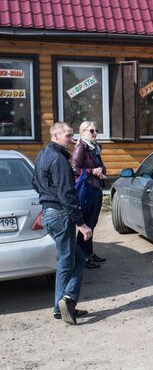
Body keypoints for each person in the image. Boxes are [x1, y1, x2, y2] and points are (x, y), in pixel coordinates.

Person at [33, 122, 93, 325]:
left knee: (75, 257)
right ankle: (66, 301)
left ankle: (62, 307)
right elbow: (67, 194)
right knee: (68, 262)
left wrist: (47, 202)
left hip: (50, 213)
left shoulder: (43, 154)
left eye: (72, 135)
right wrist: (82, 224)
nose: (71, 139)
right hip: (59, 214)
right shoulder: (58, 159)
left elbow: (36, 183)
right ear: (56, 135)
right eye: (68, 135)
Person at [71, 121, 108, 269]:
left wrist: (101, 171)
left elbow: (100, 165)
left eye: (96, 130)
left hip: (96, 187)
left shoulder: (93, 148)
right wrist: (92, 172)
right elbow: (74, 168)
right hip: (87, 190)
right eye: (91, 131)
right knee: (86, 224)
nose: (94, 133)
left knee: (92, 223)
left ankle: (90, 253)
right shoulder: (81, 147)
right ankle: (82, 257)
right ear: (82, 132)